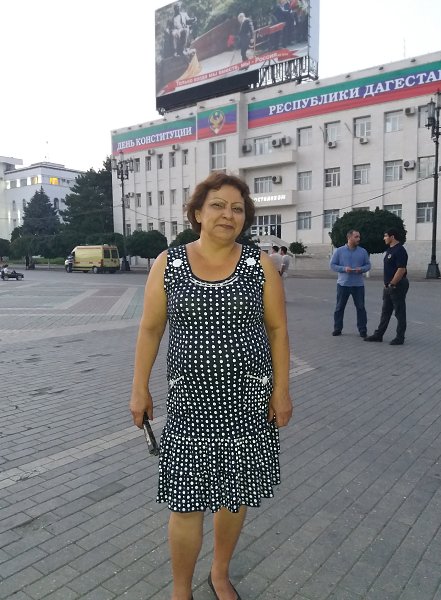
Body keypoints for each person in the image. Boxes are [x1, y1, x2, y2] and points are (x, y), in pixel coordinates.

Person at [129, 172, 293, 600]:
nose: (228, 214)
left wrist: (281, 390)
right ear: (198, 213)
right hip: (191, 406)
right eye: (218, 205)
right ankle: (180, 591)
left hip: (248, 403)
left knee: (234, 496)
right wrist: (139, 387)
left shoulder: (260, 265)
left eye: (237, 208)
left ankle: (219, 573)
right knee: (186, 503)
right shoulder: (170, 263)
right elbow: (150, 329)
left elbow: (277, 330)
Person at [365, 228, 409, 345]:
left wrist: (392, 283)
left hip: (397, 285)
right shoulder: (390, 249)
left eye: (385, 236)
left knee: (399, 312)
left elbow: (401, 269)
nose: (384, 238)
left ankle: (400, 337)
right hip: (388, 286)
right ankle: (379, 335)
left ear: (392, 237)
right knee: (385, 311)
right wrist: (387, 284)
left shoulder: (400, 250)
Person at [330, 230, 371, 338]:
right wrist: (344, 269)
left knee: (361, 308)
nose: (358, 239)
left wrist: (361, 269)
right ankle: (337, 329)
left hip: (358, 285)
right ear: (349, 238)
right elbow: (332, 265)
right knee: (339, 307)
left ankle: (362, 330)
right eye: (356, 237)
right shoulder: (339, 251)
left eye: (359, 237)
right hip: (343, 284)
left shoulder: (363, 251)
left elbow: (368, 265)